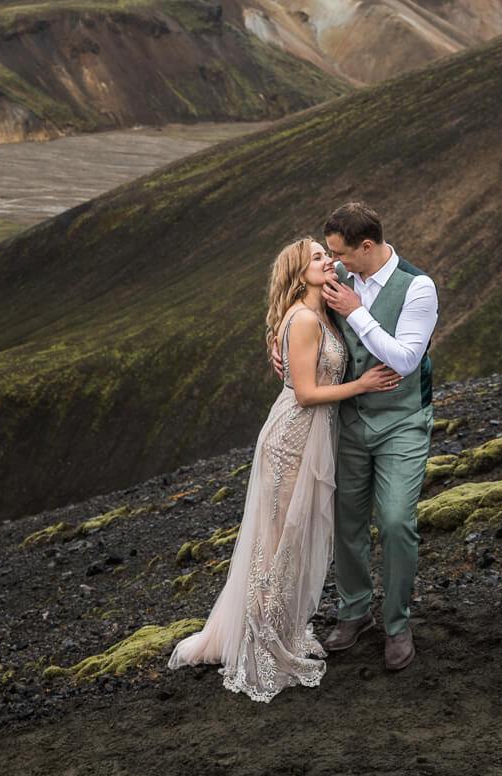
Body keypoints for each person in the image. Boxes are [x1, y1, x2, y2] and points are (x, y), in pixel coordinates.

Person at [168, 237, 400, 701]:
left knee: (292, 541)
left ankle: (276, 629)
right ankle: (260, 644)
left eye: (326, 254)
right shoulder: (305, 318)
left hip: (314, 437)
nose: (328, 261)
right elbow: (306, 394)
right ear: (298, 271)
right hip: (292, 439)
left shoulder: (323, 311)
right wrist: (363, 384)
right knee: (276, 544)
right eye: (317, 257)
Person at [315, 201, 439, 671]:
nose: (334, 261)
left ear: (367, 246)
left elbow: (405, 360)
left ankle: (397, 623)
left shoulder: (418, 288)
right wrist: (277, 349)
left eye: (341, 253)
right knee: (346, 522)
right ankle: (353, 612)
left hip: (403, 421)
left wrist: (357, 312)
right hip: (348, 419)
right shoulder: (336, 279)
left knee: (394, 521)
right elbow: (297, 320)